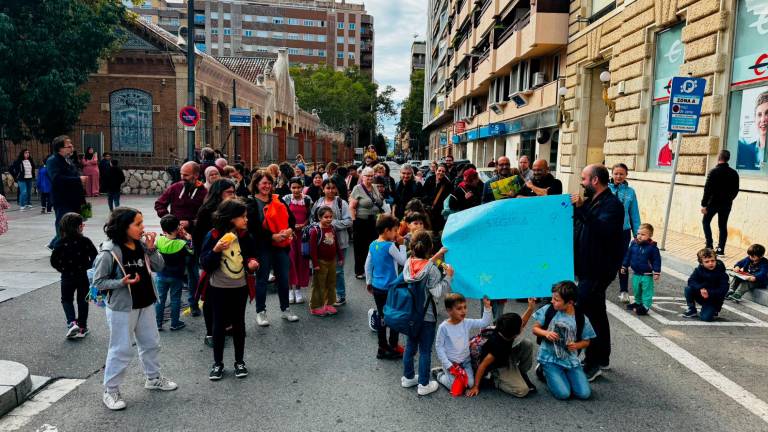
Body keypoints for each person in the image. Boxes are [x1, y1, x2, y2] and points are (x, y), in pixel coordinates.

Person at [92, 207, 177, 410]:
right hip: (122, 307)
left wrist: (151, 248)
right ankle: (110, 390)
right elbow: (98, 282)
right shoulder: (109, 251)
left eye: (142, 223)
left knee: (151, 343)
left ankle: (153, 378)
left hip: (146, 302)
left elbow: (159, 267)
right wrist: (121, 282)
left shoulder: (141, 245)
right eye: (137, 224)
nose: (142, 227)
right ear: (123, 226)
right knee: (121, 349)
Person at [570, 164, 624, 381]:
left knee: (584, 311)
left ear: (594, 181)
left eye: (583, 178)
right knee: (597, 313)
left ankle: (592, 362)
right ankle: (602, 357)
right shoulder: (595, 200)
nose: (581, 183)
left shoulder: (612, 205)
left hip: (598, 269)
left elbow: (602, 230)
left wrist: (582, 208)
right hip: (587, 268)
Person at [199, 199, 259, 381]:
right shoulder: (214, 235)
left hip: (239, 287)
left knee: (239, 323)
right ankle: (217, 363)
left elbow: (250, 257)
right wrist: (216, 250)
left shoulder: (245, 236)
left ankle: (239, 361)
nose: (246, 220)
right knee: (218, 325)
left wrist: (252, 264)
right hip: (217, 288)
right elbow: (204, 262)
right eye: (242, 217)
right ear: (231, 218)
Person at [401, 232, 453, 396]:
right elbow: (437, 291)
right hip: (427, 315)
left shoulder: (408, 263)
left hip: (411, 314)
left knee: (410, 346)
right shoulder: (432, 270)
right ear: (430, 247)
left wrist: (437, 256)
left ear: (412, 247)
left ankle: (408, 377)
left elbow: (423, 267)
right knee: (424, 350)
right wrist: (448, 278)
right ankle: (423, 383)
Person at [246, 171, 299, 326]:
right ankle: (260, 312)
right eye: (264, 183)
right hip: (262, 247)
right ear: (256, 184)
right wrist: (271, 237)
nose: (267, 186)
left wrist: (289, 230)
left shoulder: (278, 199)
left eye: (269, 183)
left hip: (281, 246)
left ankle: (285, 309)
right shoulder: (251, 202)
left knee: (283, 278)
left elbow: (292, 219)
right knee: (262, 280)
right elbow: (253, 227)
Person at [155, 161, 207, 317]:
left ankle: (193, 303)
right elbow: (159, 204)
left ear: (196, 175)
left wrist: (190, 223)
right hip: (172, 238)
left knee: (192, 271)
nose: (182, 177)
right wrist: (170, 221)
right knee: (168, 269)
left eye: (186, 175)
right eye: (181, 174)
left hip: (193, 237)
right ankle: (164, 303)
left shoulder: (204, 193)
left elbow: (207, 218)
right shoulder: (175, 187)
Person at [532, 281, 595, 400]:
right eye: (552, 298)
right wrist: (546, 333)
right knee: (564, 394)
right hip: (550, 358)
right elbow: (535, 329)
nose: (552, 301)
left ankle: (564, 375)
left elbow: (587, 341)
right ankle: (543, 370)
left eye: (556, 300)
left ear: (570, 302)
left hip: (570, 360)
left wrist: (576, 345)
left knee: (584, 394)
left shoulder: (580, 317)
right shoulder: (548, 310)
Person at [193, 179, 236, 347]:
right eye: (229, 192)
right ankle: (211, 332)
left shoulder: (234, 210)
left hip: (231, 261)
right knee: (210, 298)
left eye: (233, 192)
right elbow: (199, 238)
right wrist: (205, 258)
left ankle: (226, 325)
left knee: (227, 297)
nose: (232, 195)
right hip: (211, 260)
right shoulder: (207, 211)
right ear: (219, 194)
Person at [466, 304, 538, 398]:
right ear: (516, 334)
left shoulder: (503, 329)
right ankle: (496, 380)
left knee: (527, 343)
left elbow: (521, 322)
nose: (522, 326)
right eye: (521, 327)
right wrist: (475, 386)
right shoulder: (497, 346)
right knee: (522, 390)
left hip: (505, 355)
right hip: (497, 366)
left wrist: (530, 308)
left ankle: (520, 373)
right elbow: (482, 366)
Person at [365, 215, 407, 359]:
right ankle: (393, 345)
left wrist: (368, 282)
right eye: (395, 230)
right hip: (391, 287)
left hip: (377, 287)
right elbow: (403, 261)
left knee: (383, 316)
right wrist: (401, 245)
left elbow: (368, 265)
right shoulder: (389, 246)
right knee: (394, 315)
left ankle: (382, 347)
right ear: (387, 230)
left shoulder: (372, 244)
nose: (396, 234)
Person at [50, 212, 97, 339]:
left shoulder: (60, 243)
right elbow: (95, 256)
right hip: (83, 275)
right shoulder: (85, 241)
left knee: (66, 299)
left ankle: (71, 322)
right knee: (83, 300)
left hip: (67, 276)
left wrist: (62, 269)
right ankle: (82, 327)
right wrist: (90, 267)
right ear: (79, 227)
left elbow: (53, 261)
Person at [434, 294, 492, 395]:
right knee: (454, 387)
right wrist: (448, 365)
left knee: (469, 384)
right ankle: (439, 374)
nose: (463, 311)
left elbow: (484, 322)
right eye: (459, 308)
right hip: (451, 363)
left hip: (465, 361)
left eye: (465, 307)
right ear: (449, 310)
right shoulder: (443, 327)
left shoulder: (466, 322)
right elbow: (439, 347)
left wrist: (487, 307)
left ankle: (451, 375)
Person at [311, 179, 353, 306]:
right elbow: (313, 219)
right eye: (327, 188)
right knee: (324, 270)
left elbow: (349, 221)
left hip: (339, 242)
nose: (330, 190)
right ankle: (327, 297)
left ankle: (341, 295)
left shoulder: (341, 203)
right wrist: (319, 226)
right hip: (321, 244)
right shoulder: (318, 202)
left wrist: (333, 224)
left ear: (336, 189)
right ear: (323, 189)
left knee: (338, 271)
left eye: (333, 188)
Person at [607, 163, 641, 303]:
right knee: (604, 259)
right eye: (616, 173)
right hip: (606, 231)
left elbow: (634, 214)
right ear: (612, 174)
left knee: (623, 261)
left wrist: (638, 233)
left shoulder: (630, 192)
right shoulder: (606, 189)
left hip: (623, 231)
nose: (618, 176)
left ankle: (624, 291)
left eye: (621, 174)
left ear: (626, 175)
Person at [155, 215, 193, 332]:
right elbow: (192, 252)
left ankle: (158, 323)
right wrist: (189, 238)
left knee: (160, 299)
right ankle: (175, 323)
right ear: (178, 228)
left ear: (163, 230)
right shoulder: (182, 244)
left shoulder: (159, 240)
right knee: (175, 299)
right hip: (176, 276)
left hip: (161, 275)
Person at [47, 136, 86, 250]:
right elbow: (56, 179)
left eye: (71, 145)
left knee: (77, 222)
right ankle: (59, 247)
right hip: (62, 199)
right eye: (68, 146)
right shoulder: (53, 160)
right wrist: (78, 180)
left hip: (76, 198)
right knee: (62, 223)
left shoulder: (68, 159)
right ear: (60, 148)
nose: (72, 148)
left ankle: (54, 244)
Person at [701, 150, 739, 256]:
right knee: (722, 225)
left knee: (705, 222)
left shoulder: (713, 172)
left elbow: (707, 189)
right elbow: (736, 190)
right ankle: (721, 249)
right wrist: (729, 199)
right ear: (728, 159)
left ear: (719, 157)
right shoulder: (734, 173)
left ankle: (709, 245)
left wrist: (704, 204)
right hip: (726, 204)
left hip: (713, 203)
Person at [350, 167, 384, 279]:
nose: (369, 178)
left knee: (374, 246)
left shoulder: (375, 187)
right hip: (361, 221)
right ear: (362, 176)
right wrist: (354, 221)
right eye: (367, 175)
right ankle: (359, 271)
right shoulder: (357, 188)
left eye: (371, 175)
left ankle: (372, 269)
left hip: (374, 222)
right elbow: (351, 207)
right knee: (360, 247)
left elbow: (380, 201)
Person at [309, 206, 343, 316]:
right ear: (319, 217)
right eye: (325, 217)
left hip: (332, 261)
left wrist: (340, 257)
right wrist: (315, 264)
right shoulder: (315, 231)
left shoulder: (332, 228)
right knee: (319, 285)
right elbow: (312, 249)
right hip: (320, 262)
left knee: (331, 283)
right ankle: (315, 306)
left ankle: (329, 304)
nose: (328, 219)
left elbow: (336, 244)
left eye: (330, 217)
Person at [284, 177, 313, 304]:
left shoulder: (307, 199)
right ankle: (290, 289)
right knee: (290, 260)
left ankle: (298, 290)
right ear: (290, 188)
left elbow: (311, 216)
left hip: (303, 235)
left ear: (302, 187)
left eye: (298, 187)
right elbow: (283, 216)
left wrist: (304, 225)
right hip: (290, 235)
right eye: (293, 187)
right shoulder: (286, 199)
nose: (296, 190)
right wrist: (291, 226)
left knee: (302, 261)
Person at [622, 223, 662, 315]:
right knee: (637, 289)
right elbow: (628, 255)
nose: (639, 236)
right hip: (636, 273)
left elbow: (656, 260)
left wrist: (656, 272)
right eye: (638, 233)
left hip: (646, 275)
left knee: (647, 291)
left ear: (650, 236)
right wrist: (624, 265)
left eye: (643, 234)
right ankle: (638, 302)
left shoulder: (652, 248)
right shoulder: (633, 244)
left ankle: (645, 306)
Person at [682, 248, 729, 322]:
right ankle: (691, 309)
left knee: (706, 318)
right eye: (707, 262)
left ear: (716, 260)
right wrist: (700, 288)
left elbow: (723, 290)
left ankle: (714, 310)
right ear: (701, 263)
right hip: (701, 294)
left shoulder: (721, 273)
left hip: (714, 299)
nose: (710, 263)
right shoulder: (699, 270)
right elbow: (691, 281)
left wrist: (709, 292)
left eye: (713, 261)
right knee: (688, 289)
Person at [736, 91, 767, 170]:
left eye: (767, 113)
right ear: (755, 118)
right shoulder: (747, 151)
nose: (763, 119)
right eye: (759, 115)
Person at [421, 163, 453, 232]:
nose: (440, 173)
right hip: (427, 211)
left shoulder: (448, 184)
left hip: (439, 214)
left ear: (445, 173)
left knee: (436, 232)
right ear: (435, 171)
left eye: (443, 171)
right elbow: (423, 193)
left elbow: (447, 200)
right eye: (439, 170)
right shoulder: (430, 179)